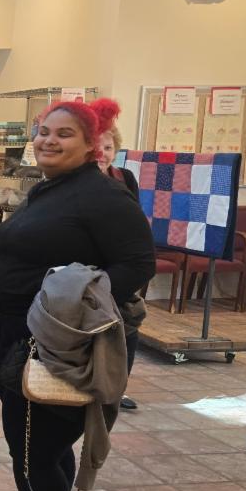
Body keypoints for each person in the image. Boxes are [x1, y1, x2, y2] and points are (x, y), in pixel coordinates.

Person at [0, 99, 154, 491]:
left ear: (90, 145)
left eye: (64, 134)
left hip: (57, 346)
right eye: (44, 131)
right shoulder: (50, 188)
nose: (49, 140)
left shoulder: (102, 195)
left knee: (34, 454)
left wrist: (74, 310)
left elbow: (137, 264)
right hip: (19, 336)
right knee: (44, 447)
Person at [98, 125, 143, 412]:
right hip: (91, 267)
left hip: (121, 265)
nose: (102, 154)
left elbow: (135, 219)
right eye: (96, 147)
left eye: (108, 148)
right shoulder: (71, 179)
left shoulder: (124, 178)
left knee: (126, 327)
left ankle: (116, 389)